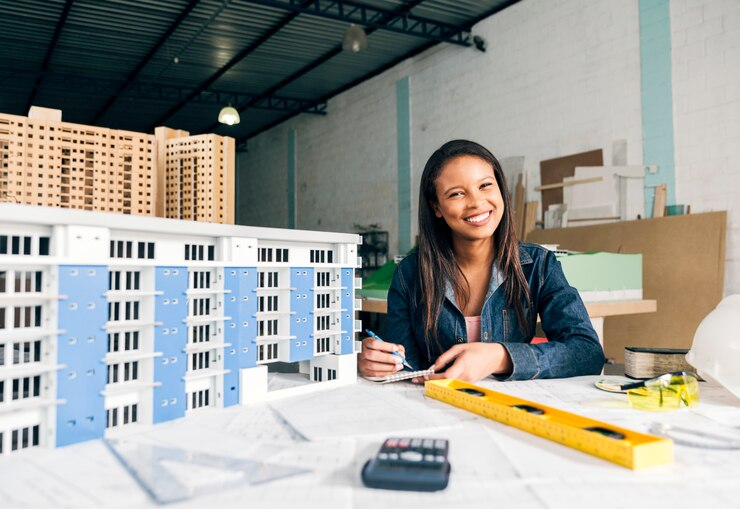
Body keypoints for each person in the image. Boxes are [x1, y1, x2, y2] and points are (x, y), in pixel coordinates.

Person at [358, 140, 605, 382]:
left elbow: (588, 353)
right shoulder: (410, 273)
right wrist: (374, 360)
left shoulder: (538, 265)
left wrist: (499, 357)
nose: (476, 202)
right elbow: (404, 365)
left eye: (485, 185)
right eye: (456, 193)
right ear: (437, 207)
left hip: (511, 410)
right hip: (435, 408)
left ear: (501, 190)